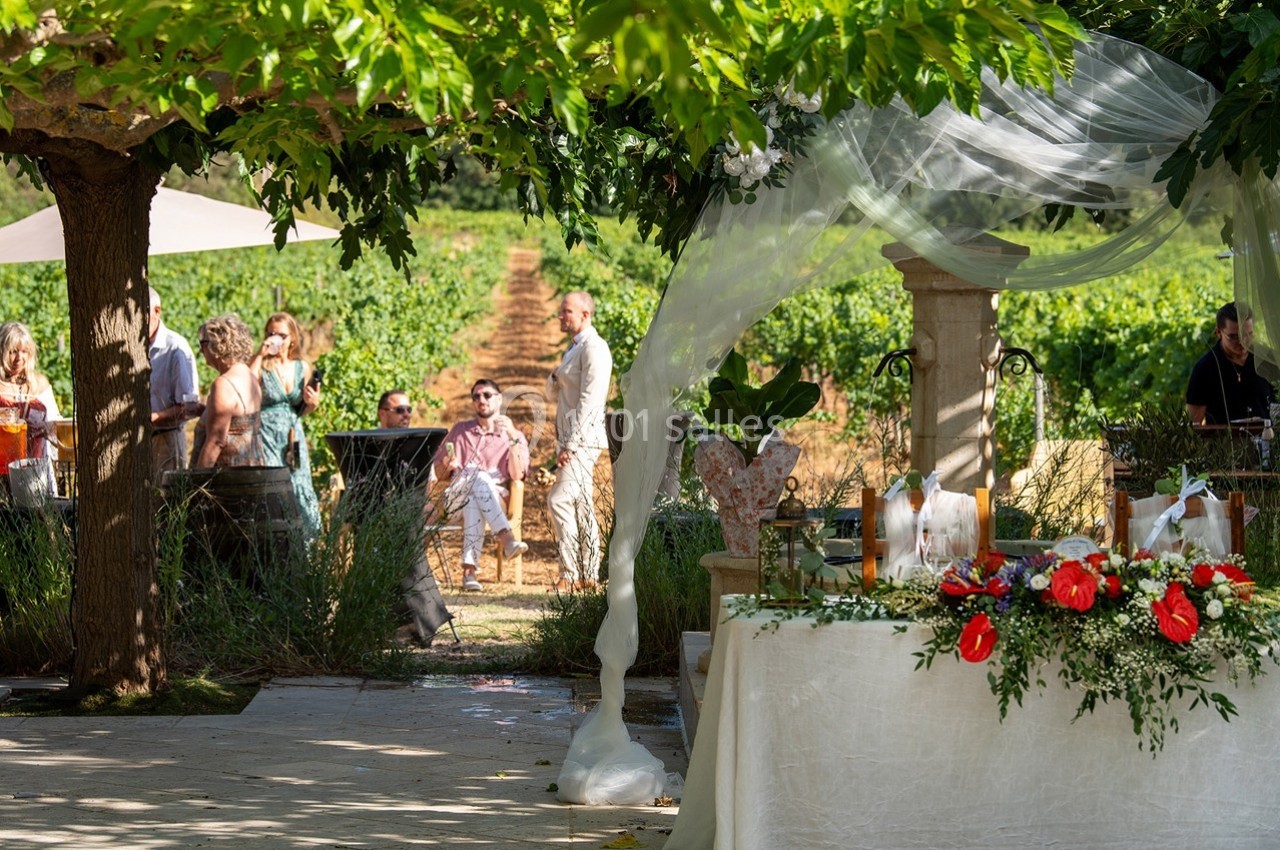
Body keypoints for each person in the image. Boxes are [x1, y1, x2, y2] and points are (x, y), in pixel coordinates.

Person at [431, 379, 530, 592]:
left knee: (474, 494)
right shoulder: (460, 431)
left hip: (494, 500)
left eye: (486, 395)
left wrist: (512, 438)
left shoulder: (514, 435)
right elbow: (439, 473)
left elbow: (517, 474)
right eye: (476, 396)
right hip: (454, 498)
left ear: (499, 399)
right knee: (475, 476)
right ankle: (506, 538)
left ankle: (469, 572)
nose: (481, 400)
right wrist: (447, 465)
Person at [546, 291, 613, 592]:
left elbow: (591, 400)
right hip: (571, 439)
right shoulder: (573, 349)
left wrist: (571, 444)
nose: (560, 316)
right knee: (582, 505)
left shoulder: (595, 349)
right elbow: (555, 394)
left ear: (585, 314)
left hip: (582, 440)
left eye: (566, 311)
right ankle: (589, 575)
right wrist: (555, 376)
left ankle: (570, 573)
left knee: (559, 500)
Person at [250, 312, 322, 538]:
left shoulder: (302, 367)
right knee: (274, 485)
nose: (276, 340)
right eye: (271, 334)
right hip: (267, 434)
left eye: (281, 334)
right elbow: (247, 385)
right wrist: (259, 356)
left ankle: (306, 547)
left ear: (292, 338)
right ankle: (277, 544)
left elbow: (303, 409)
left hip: (293, 436)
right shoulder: (262, 366)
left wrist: (313, 404)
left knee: (299, 484)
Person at [191, 315, 265, 468]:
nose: (201, 350)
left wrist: (196, 484)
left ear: (218, 344)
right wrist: (206, 412)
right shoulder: (249, 375)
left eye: (203, 343)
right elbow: (237, 422)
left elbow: (216, 441)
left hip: (228, 480)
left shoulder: (223, 385)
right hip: (253, 470)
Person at [1186, 301, 1276, 425]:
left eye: (1248, 335)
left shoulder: (1268, 359)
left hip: (1269, 440)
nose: (1243, 341)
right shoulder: (1204, 368)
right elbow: (1193, 423)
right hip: (1224, 442)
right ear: (1218, 332)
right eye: (1234, 337)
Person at [147, 286, 202, 478]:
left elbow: (190, 407)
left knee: (166, 503)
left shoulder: (176, 348)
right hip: (138, 445)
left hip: (167, 440)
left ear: (157, 311)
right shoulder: (132, 347)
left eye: (142, 313)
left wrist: (154, 417)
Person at [0, 321, 61, 461]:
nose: (19, 358)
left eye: (24, 351)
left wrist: (46, 428)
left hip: (36, 468)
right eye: (13, 352)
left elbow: (57, 427)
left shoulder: (40, 384)